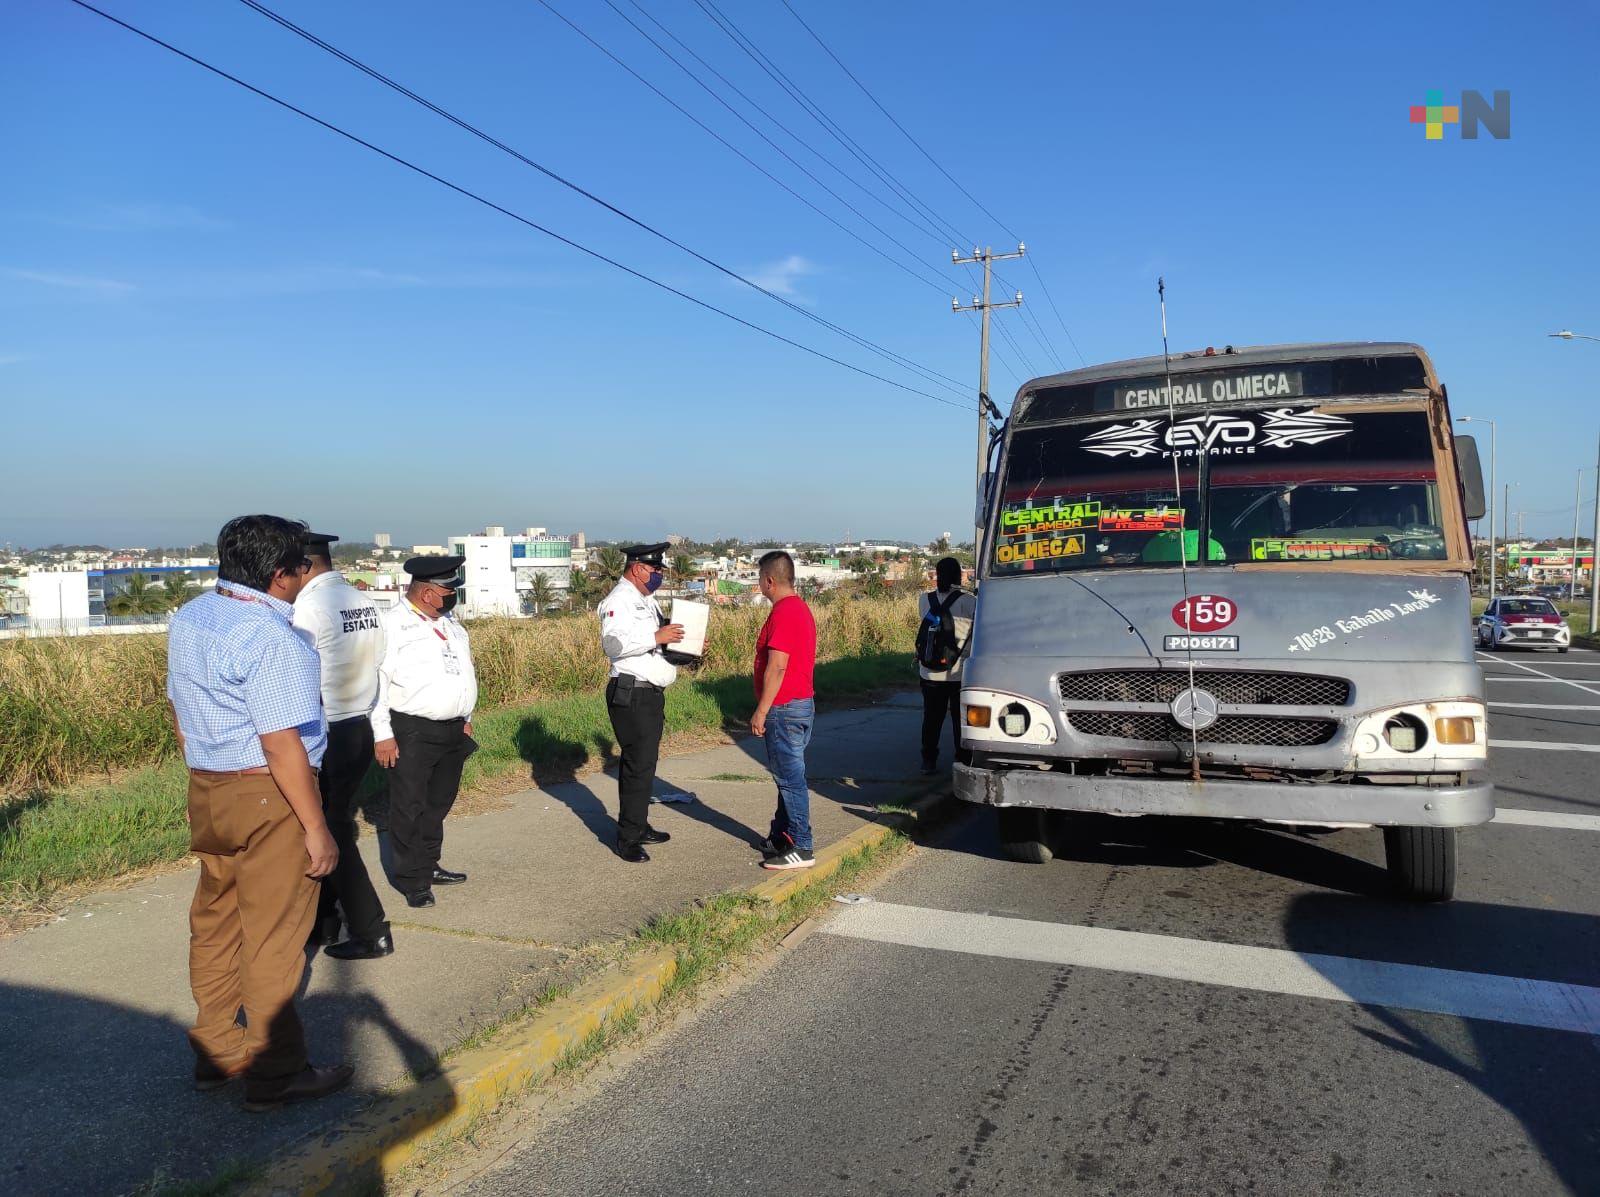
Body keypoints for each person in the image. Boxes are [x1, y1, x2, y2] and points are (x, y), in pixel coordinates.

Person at [165, 514, 353, 1112]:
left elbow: (179, 708)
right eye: (303, 567)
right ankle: (276, 1073)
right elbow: (281, 743)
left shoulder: (192, 617)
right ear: (279, 576)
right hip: (270, 791)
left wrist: (206, 771)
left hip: (210, 784)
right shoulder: (274, 637)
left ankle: (218, 1052)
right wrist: (316, 827)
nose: (308, 575)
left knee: (216, 923)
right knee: (274, 937)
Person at [291, 532, 393, 960]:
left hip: (325, 731)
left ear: (304, 566)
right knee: (333, 821)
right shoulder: (362, 600)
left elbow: (297, 675)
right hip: (358, 727)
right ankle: (326, 922)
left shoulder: (308, 609)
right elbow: (381, 663)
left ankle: (371, 929)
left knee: (327, 830)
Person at [371, 556, 478, 908]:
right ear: (429, 593)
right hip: (411, 729)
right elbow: (377, 683)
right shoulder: (392, 625)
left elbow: (461, 671)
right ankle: (412, 879)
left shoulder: (449, 622)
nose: (453, 596)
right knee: (409, 806)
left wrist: (465, 714)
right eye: (449, 590)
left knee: (438, 804)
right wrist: (382, 733)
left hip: (452, 729)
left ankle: (430, 864)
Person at [598, 543, 683, 863]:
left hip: (649, 693)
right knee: (637, 765)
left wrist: (683, 646)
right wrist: (657, 638)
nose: (659, 574)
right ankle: (628, 837)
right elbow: (613, 644)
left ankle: (639, 823)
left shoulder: (645, 601)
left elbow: (657, 646)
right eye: (655, 570)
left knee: (646, 765)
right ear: (637, 568)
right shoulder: (619, 600)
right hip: (631, 692)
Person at [751, 551, 818, 871]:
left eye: (759, 579)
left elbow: (777, 667)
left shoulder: (785, 612)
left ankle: (803, 845)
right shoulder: (798, 609)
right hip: (798, 704)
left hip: (784, 707)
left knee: (790, 779)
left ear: (769, 581)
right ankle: (782, 835)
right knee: (786, 777)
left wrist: (761, 710)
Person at [917, 556, 978, 774]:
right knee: (959, 720)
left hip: (929, 672)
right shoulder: (970, 602)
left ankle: (928, 760)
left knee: (931, 719)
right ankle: (963, 760)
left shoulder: (924, 599)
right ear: (957, 575)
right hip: (958, 673)